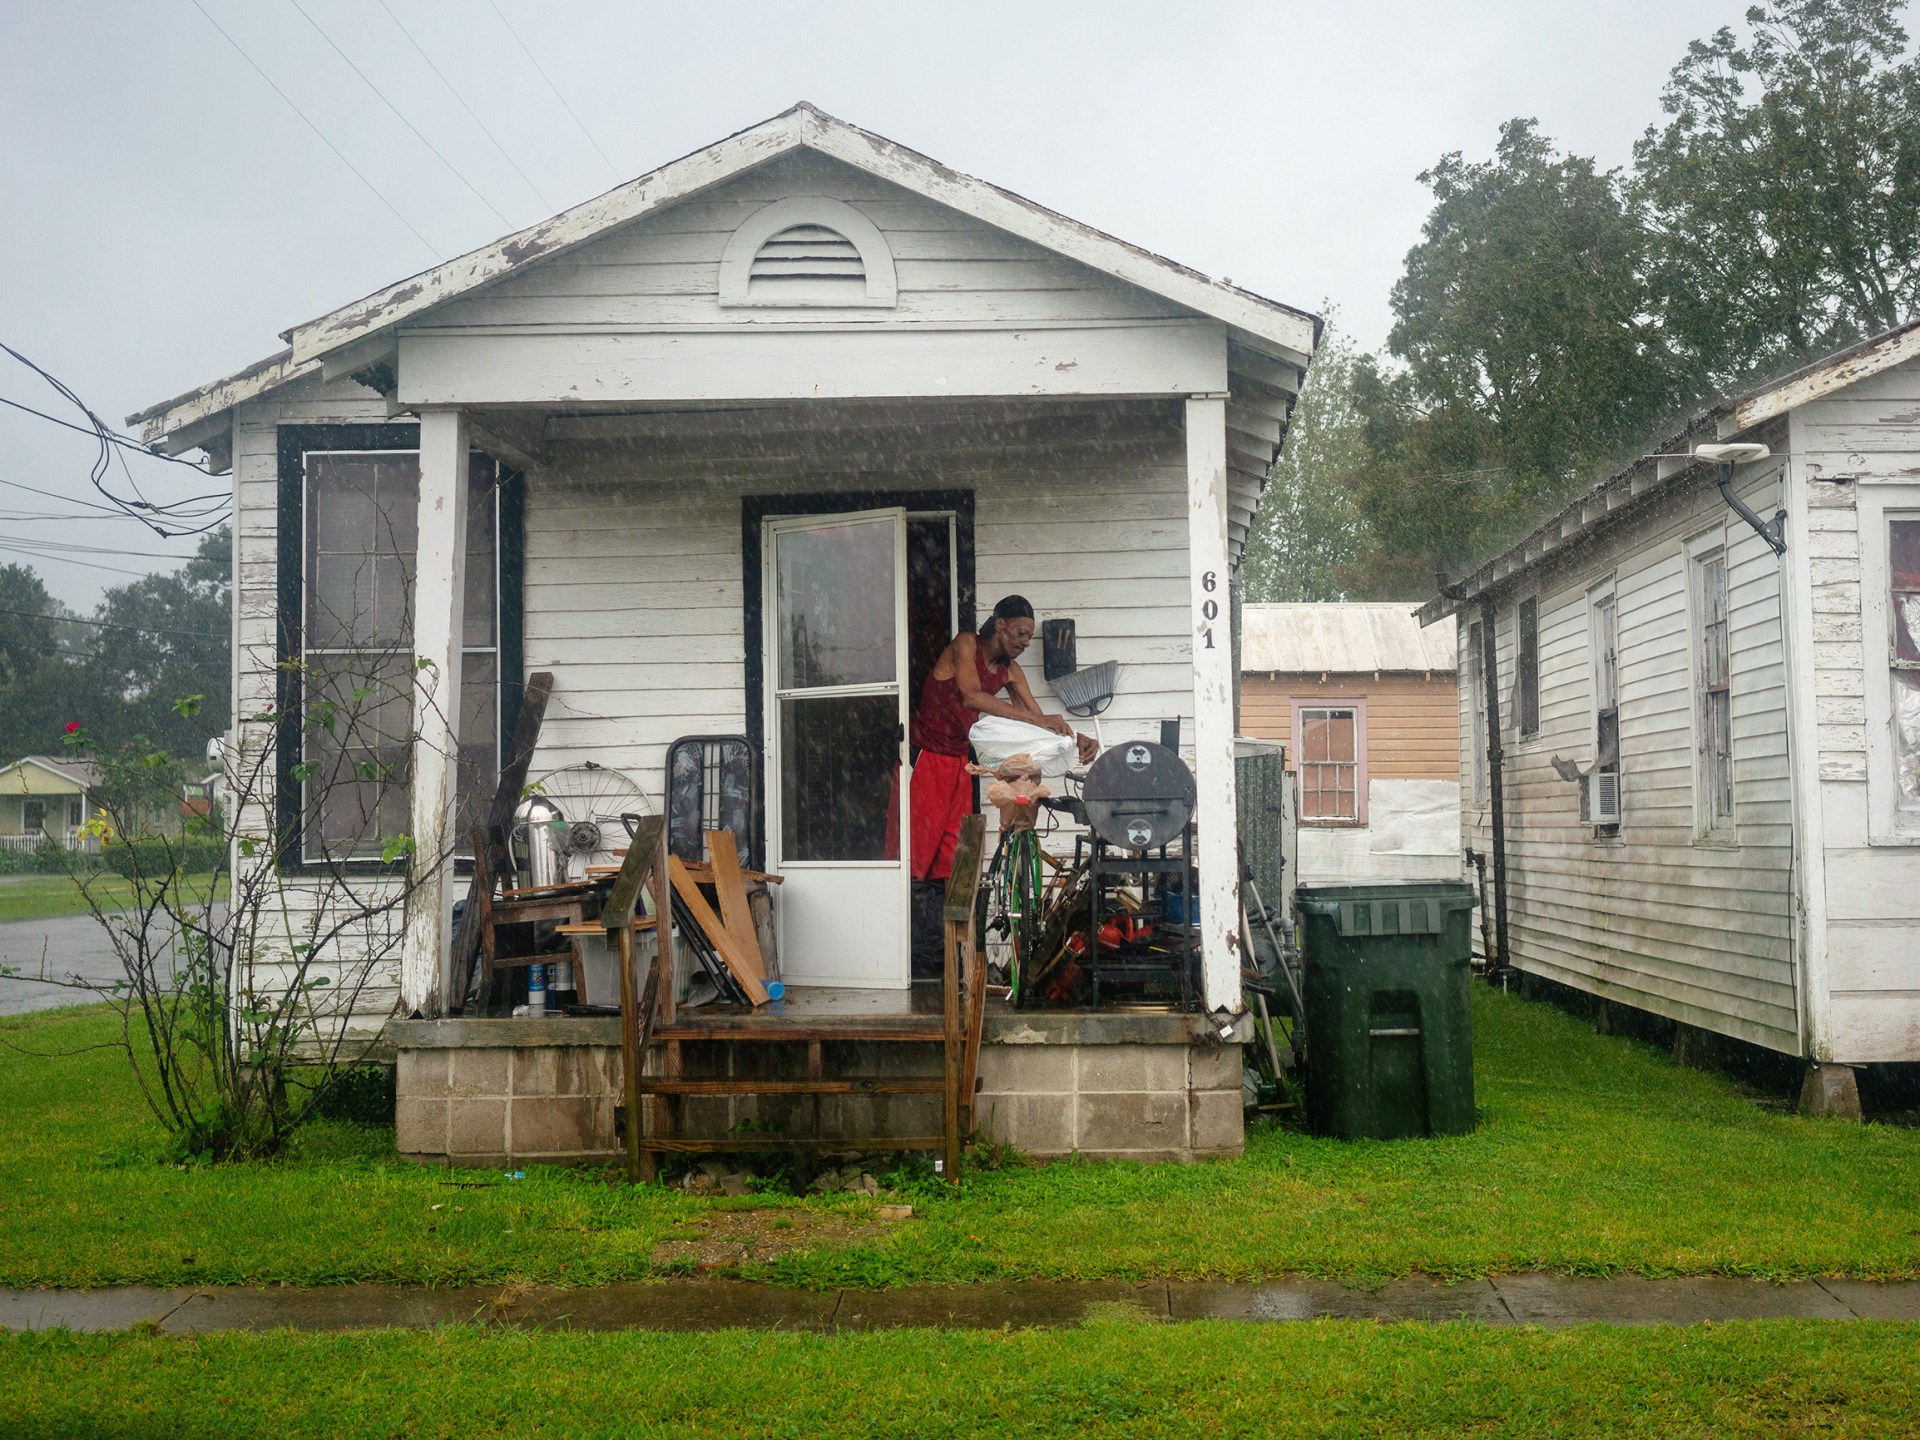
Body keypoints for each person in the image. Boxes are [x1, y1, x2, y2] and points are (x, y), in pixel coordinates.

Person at [908, 594, 1099, 886]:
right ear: (1000, 625)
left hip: (960, 761)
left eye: (1029, 637)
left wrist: (1076, 738)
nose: (1025, 642)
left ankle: (938, 930)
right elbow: (971, 697)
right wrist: (1039, 720)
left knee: (950, 859)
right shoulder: (966, 643)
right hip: (927, 755)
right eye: (1021, 633)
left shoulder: (1011, 670)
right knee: (916, 852)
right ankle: (906, 928)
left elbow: (1040, 721)